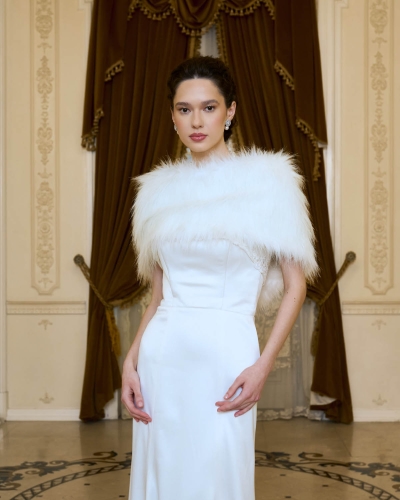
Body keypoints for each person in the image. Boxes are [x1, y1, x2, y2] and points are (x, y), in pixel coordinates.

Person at [122, 56, 318, 500]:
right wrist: (130, 362)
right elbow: (158, 296)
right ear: (172, 116)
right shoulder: (155, 193)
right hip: (162, 358)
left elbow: (296, 285)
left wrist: (263, 365)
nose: (197, 120)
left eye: (209, 108)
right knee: (163, 472)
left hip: (226, 355)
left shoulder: (270, 183)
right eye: (185, 109)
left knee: (217, 476)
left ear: (230, 112)